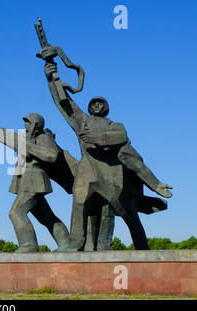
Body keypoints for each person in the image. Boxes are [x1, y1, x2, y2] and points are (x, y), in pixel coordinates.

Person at [42, 61, 172, 250]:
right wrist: (51, 79)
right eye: (93, 103)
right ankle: (76, 241)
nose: (96, 105)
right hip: (87, 173)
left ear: (106, 107)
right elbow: (64, 104)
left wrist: (156, 184)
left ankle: (141, 248)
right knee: (79, 202)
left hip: (112, 179)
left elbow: (134, 158)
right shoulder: (83, 122)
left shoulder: (117, 127)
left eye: (100, 102)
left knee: (129, 215)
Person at [0, 113, 70, 252]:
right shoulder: (25, 139)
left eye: (28, 122)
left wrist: (28, 147)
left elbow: (52, 155)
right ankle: (66, 243)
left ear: (36, 125)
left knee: (16, 212)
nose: (25, 125)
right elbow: (8, 136)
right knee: (46, 217)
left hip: (35, 181)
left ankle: (29, 245)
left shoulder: (44, 137)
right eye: (25, 122)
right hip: (27, 181)